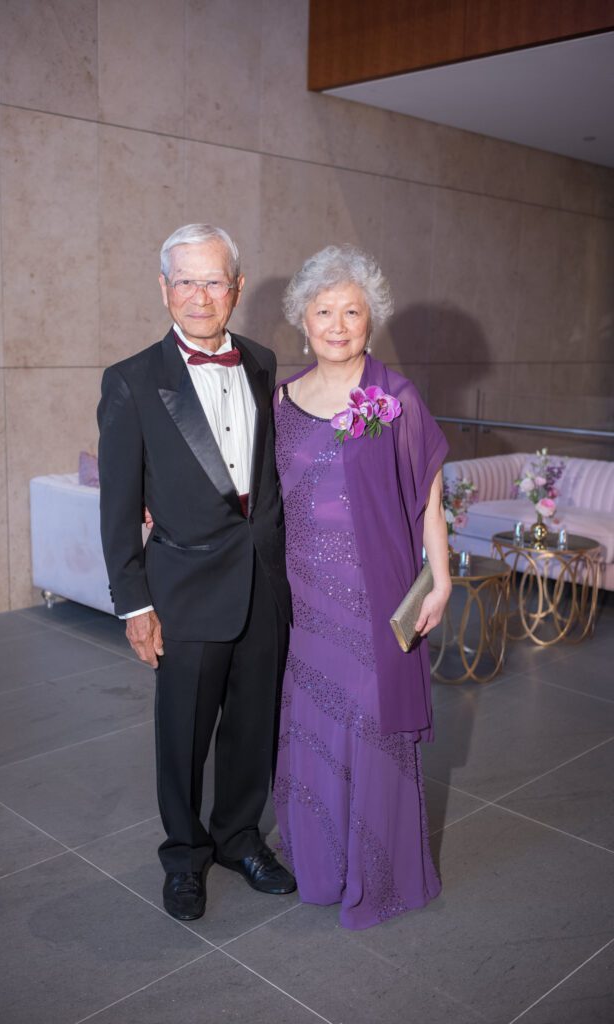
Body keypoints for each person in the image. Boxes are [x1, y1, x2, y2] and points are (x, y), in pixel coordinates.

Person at [97, 224, 294, 922]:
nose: (200, 295)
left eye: (214, 280)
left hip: (264, 586)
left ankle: (239, 837)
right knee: (181, 734)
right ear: (163, 288)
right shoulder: (131, 380)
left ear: (235, 289)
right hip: (182, 592)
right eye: (186, 279)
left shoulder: (265, 364)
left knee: (253, 726)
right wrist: (133, 604)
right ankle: (184, 855)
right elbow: (119, 506)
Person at [272, 244, 450, 930]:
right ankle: (321, 867)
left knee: (374, 729)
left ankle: (380, 873)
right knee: (314, 726)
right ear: (303, 320)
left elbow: (430, 498)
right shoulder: (281, 402)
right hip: (305, 602)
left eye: (352, 310)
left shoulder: (395, 397)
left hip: (378, 598)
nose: (339, 324)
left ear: (370, 317)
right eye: (325, 311)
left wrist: (440, 580)